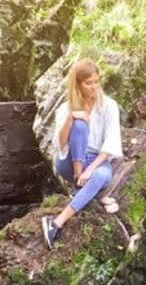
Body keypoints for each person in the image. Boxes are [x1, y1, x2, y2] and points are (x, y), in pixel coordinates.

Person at [41, 58, 123, 248]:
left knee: (102, 174)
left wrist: (89, 170)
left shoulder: (109, 106)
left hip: (96, 161)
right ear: (78, 84)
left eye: (96, 82)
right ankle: (79, 182)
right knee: (79, 126)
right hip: (69, 162)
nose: (93, 87)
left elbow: (110, 144)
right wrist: (71, 118)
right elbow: (60, 144)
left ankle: (56, 223)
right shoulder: (65, 108)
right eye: (88, 83)